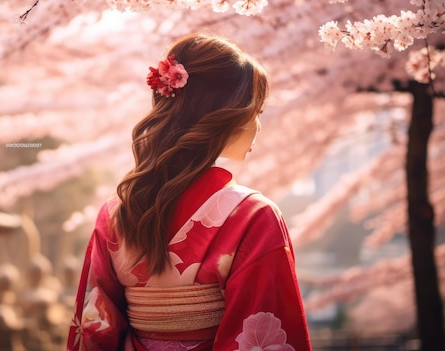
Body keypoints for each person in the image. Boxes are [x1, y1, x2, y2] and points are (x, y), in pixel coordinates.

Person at [67, 33, 312, 351]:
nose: (259, 127)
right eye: (257, 113)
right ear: (228, 115)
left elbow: (93, 329)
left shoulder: (117, 212)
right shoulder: (254, 216)